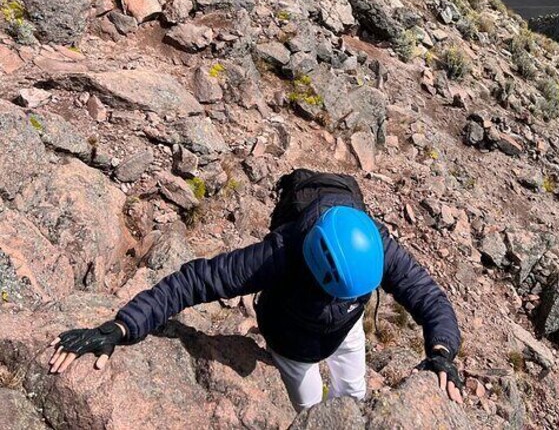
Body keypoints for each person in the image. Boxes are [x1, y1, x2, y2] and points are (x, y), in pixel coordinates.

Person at [49, 169, 463, 411]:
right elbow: (196, 280)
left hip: (346, 331)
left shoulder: (374, 245)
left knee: (353, 394)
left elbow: (429, 298)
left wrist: (442, 352)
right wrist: (123, 325)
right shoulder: (279, 255)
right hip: (291, 342)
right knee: (311, 407)